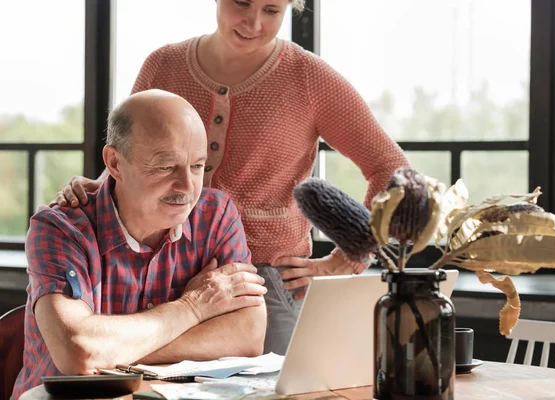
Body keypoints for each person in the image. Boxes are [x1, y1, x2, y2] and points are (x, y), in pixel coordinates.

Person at [52, 0, 410, 355]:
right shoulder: (164, 65)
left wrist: (349, 259)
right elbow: (131, 152)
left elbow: (391, 169)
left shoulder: (309, 78)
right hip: (161, 271)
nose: (253, 22)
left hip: (264, 281)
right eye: (242, 3)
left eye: (271, 11)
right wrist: (98, 184)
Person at [12, 89, 267, 399]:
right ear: (115, 163)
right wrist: (193, 307)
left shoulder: (216, 216)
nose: (187, 187)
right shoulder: (60, 229)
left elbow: (250, 334)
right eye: (165, 167)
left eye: (198, 166)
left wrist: (117, 351)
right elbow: (79, 352)